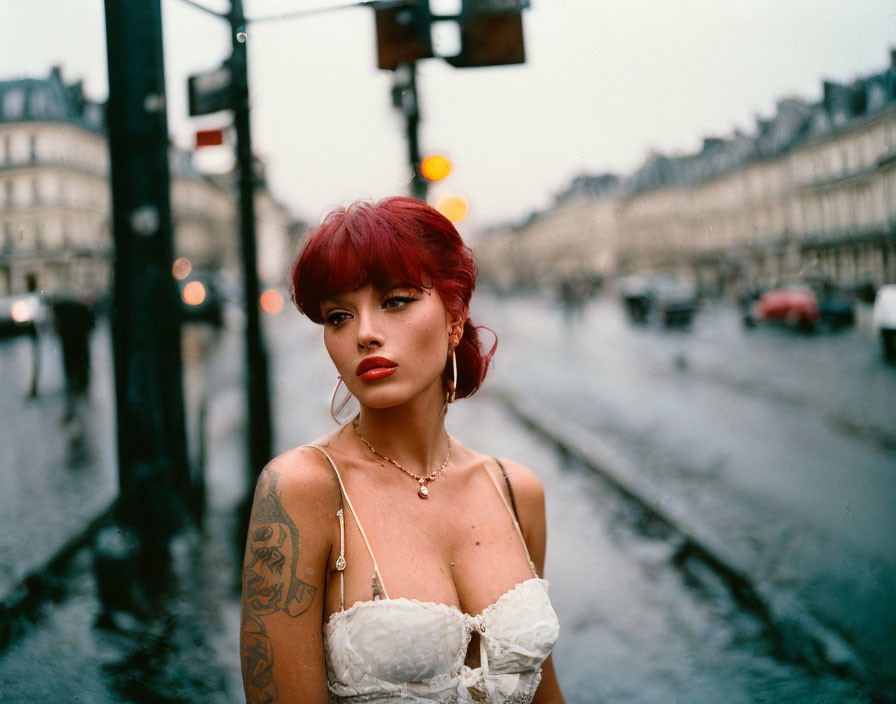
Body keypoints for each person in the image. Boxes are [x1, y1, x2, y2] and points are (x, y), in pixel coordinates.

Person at [240, 197, 564, 704]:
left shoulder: (516, 490)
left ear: (455, 316)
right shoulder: (304, 488)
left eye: (395, 301)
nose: (365, 333)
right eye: (339, 315)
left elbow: (543, 689)